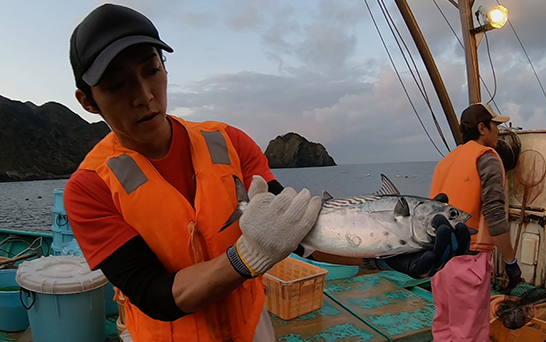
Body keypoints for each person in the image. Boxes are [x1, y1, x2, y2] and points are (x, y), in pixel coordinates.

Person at [63, 4, 471, 342]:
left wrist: (382, 255)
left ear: (164, 67)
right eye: (118, 85)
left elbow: (297, 233)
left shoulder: (229, 142)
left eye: (151, 69)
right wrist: (246, 258)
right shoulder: (89, 188)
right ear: (88, 101)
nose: (144, 95)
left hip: (251, 327)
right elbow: (153, 294)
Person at [428, 102, 522, 342]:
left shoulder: (445, 162)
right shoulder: (487, 159)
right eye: (495, 126)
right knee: (469, 333)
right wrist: (511, 261)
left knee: (444, 327)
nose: (498, 132)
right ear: (482, 128)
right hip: (469, 262)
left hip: (439, 262)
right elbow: (494, 213)